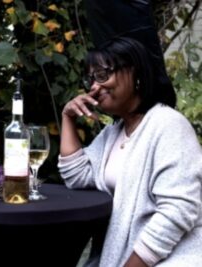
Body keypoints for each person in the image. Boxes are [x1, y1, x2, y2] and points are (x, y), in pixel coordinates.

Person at [58, 36, 202, 267]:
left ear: (135, 74)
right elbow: (77, 176)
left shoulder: (168, 125)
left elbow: (178, 211)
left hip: (177, 257)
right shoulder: (113, 133)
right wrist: (67, 117)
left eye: (102, 75)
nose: (95, 87)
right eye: (91, 79)